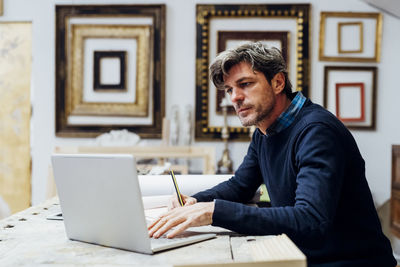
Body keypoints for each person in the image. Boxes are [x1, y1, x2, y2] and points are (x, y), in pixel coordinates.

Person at [148, 42, 396, 266]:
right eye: (229, 89)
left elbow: (311, 219)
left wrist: (212, 212)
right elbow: (241, 185)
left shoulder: (317, 132)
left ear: (277, 82)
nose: (235, 97)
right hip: (302, 256)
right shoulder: (265, 131)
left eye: (245, 84)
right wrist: (195, 201)